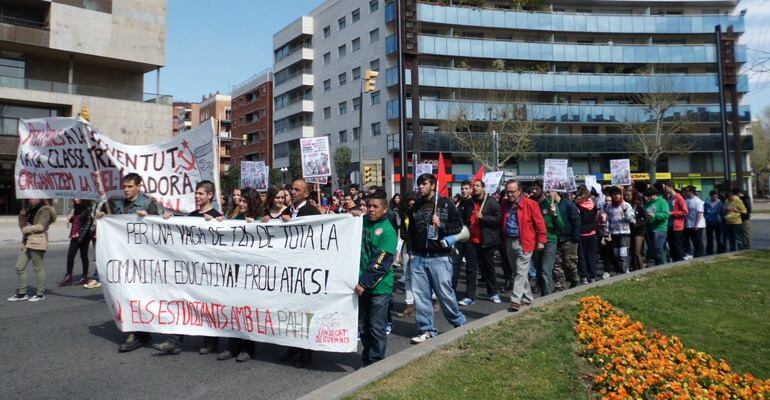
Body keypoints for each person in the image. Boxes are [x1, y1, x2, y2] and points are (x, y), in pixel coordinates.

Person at [154, 180, 225, 356]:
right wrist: (169, 220)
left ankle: (210, 341)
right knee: (182, 303)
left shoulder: (217, 216)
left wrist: (217, 224)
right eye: (196, 193)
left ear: (210, 195)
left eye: (201, 193)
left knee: (208, 307)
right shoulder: (192, 216)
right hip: (189, 271)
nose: (197, 196)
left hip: (209, 272)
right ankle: (175, 341)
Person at [96, 173, 161, 352]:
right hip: (123, 259)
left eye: (130, 186)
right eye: (124, 186)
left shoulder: (148, 204)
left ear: (139, 186)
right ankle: (138, 332)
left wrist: (148, 217)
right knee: (126, 294)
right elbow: (106, 214)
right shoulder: (117, 203)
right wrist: (101, 215)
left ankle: (138, 332)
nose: (126, 190)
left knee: (139, 295)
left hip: (142, 260)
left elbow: (160, 229)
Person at [406, 174, 466, 344]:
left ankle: (458, 322)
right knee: (421, 296)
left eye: (424, 184)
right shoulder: (416, 205)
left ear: (433, 185)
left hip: (440, 257)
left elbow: (459, 227)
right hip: (418, 257)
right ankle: (426, 330)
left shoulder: (446, 203)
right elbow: (410, 231)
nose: (420, 187)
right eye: (419, 184)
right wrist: (410, 251)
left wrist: (442, 225)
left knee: (445, 294)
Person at [279, 179, 321, 367]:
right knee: (291, 311)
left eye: (297, 190)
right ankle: (293, 347)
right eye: (292, 189)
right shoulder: (287, 212)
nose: (293, 192)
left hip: (306, 269)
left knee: (305, 312)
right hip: (290, 268)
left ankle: (306, 353)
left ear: (306, 194)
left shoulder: (311, 212)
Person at [355, 189, 398, 366]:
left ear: (385, 209)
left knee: (376, 327)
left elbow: (381, 262)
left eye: (375, 206)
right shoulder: (360, 222)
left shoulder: (388, 231)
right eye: (368, 206)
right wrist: (351, 216)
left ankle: (376, 363)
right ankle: (368, 357)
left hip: (379, 287)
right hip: (359, 285)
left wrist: (365, 283)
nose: (371, 209)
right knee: (363, 326)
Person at [500, 180, 547, 311]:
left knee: (520, 271)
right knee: (517, 271)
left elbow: (540, 223)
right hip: (509, 240)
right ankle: (527, 298)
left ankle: (515, 299)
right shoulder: (504, 204)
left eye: (512, 192)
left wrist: (541, 240)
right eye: (507, 191)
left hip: (525, 241)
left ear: (519, 191)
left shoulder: (530, 204)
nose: (509, 194)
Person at [457, 179, 502, 306]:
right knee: (471, 269)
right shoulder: (469, 202)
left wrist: (484, 218)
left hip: (486, 241)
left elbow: (499, 219)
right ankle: (470, 296)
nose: (475, 188)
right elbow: (464, 220)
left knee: (488, 268)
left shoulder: (492, 202)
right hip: (471, 241)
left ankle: (493, 293)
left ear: (483, 187)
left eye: (477, 186)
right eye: (473, 186)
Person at [8, 199, 56, 302]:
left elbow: (41, 226)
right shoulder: (29, 209)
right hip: (27, 241)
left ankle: (40, 294)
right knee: (19, 266)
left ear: (39, 198)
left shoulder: (45, 210)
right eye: (29, 197)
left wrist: (26, 230)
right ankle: (22, 293)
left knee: (38, 268)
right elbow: (22, 226)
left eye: (33, 197)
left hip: (38, 241)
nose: (30, 199)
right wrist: (21, 216)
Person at [530, 181, 564, 296]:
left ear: (542, 190)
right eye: (532, 189)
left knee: (545, 271)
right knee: (538, 272)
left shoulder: (551, 204)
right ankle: (544, 295)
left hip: (550, 240)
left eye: (536, 189)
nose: (534, 191)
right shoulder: (531, 204)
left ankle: (548, 298)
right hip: (535, 241)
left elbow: (561, 226)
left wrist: (554, 215)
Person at [58, 199, 95, 286]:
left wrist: (82, 237)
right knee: (70, 255)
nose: (75, 199)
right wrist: (71, 218)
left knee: (83, 256)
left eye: (77, 198)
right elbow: (76, 221)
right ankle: (68, 276)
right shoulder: (76, 208)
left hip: (84, 236)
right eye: (74, 198)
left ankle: (84, 276)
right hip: (75, 234)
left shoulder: (88, 208)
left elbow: (88, 223)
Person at [605, 187, 636, 274]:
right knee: (616, 254)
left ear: (620, 194)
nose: (616, 196)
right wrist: (607, 233)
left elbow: (632, 220)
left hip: (624, 233)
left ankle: (625, 271)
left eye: (617, 194)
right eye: (614, 194)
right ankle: (620, 271)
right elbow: (608, 221)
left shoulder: (626, 205)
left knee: (623, 254)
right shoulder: (609, 207)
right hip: (614, 234)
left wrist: (625, 212)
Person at [452, 180, 473, 291]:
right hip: (458, 238)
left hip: (470, 239)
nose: (464, 191)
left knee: (470, 268)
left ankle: (470, 295)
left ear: (471, 190)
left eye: (466, 188)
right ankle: (451, 290)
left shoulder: (473, 202)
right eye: (462, 189)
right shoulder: (458, 203)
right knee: (455, 265)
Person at [575, 188, 599, 284]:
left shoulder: (578, 206)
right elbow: (595, 218)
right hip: (592, 232)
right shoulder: (593, 206)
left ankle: (584, 276)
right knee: (591, 256)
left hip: (582, 233)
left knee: (582, 256)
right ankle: (592, 275)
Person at [644, 188, 670, 266]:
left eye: (650, 196)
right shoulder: (648, 204)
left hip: (660, 228)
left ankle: (663, 265)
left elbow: (666, 214)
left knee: (659, 248)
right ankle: (658, 265)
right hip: (650, 228)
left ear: (655, 195)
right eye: (647, 196)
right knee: (654, 250)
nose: (648, 198)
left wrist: (655, 216)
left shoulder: (662, 202)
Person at [664, 181, 688, 262]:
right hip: (669, 225)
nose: (665, 189)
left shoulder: (678, 197)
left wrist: (672, 213)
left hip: (677, 226)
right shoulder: (669, 197)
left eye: (666, 187)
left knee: (677, 245)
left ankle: (679, 261)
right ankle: (674, 261)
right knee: (672, 245)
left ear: (670, 187)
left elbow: (685, 211)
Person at [628, 189, 648, 271]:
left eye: (628, 195)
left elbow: (646, 218)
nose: (626, 196)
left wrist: (638, 223)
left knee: (637, 252)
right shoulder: (628, 205)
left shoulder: (639, 206)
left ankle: (642, 269)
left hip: (639, 230)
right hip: (630, 230)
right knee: (632, 252)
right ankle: (635, 270)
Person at [683, 186, 705, 258]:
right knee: (688, 240)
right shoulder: (686, 200)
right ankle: (690, 254)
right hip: (688, 224)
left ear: (691, 192)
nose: (685, 193)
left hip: (697, 225)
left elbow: (700, 213)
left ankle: (699, 255)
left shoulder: (697, 201)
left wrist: (696, 224)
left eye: (687, 191)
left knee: (697, 242)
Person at [704, 190, 725, 255]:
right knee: (709, 238)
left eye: (716, 196)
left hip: (718, 223)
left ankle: (720, 251)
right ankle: (710, 251)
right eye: (713, 197)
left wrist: (720, 219)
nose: (714, 198)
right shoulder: (706, 203)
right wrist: (706, 218)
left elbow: (722, 213)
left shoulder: (720, 203)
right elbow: (704, 212)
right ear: (710, 196)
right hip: (709, 223)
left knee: (719, 238)